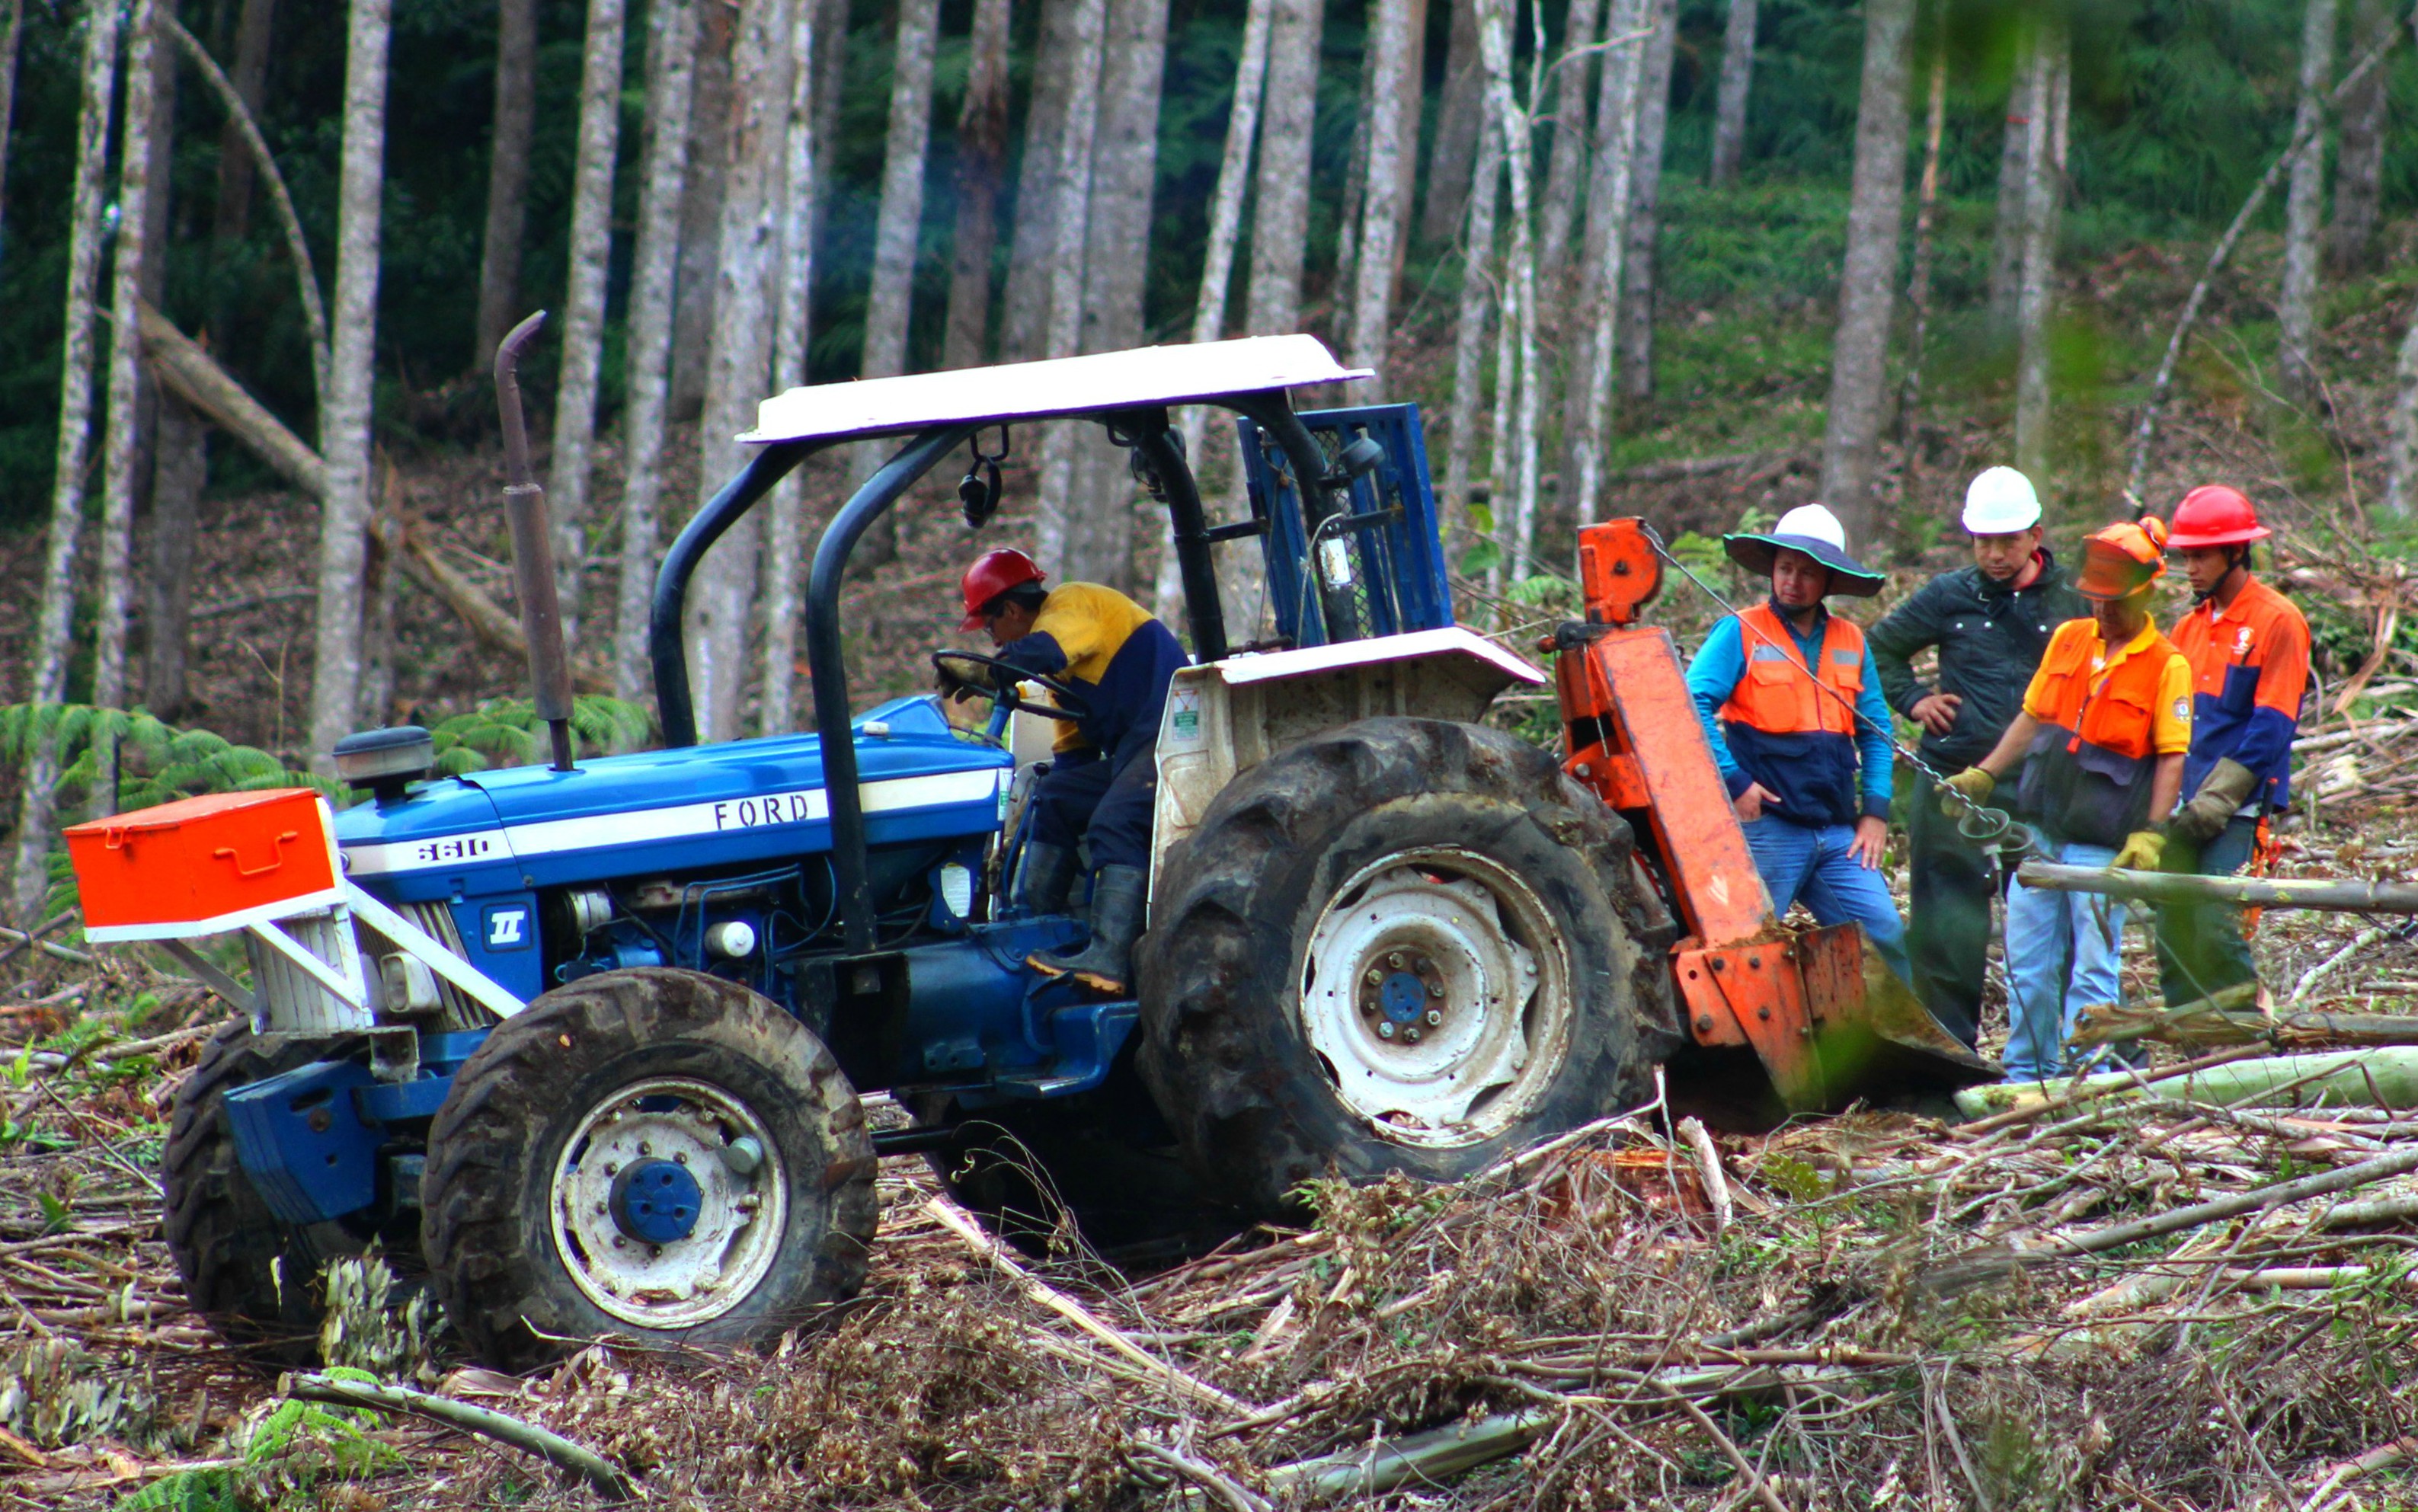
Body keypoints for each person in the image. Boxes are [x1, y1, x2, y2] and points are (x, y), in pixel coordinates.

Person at [1941, 519, 2190, 1082]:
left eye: (2114, 601)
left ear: (2146, 591)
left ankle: (2088, 1075)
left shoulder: (2167, 665)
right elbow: (2033, 716)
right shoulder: (2070, 639)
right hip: (2042, 832)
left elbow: (2173, 756)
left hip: (2102, 844)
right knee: (2028, 963)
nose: (2102, 611)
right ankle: (2027, 1073)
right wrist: (1984, 774)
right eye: (2095, 599)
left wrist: (2152, 831)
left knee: (2094, 971)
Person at [1869, 467, 2087, 1049]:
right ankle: (1949, 1050)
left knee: (2049, 916)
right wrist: (1915, 700)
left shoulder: (2075, 599)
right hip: (1952, 778)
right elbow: (1881, 647)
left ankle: (2055, 1051)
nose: (1993, 553)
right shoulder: (1950, 594)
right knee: (1946, 920)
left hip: (2042, 782)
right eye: (1983, 540)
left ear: (2035, 535)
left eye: (2007, 540)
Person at [1685, 503, 1912, 986]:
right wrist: (1735, 782)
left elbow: (1874, 729)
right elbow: (1691, 701)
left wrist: (1875, 810)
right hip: (1767, 826)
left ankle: (1904, 1053)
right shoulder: (1740, 630)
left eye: (1807, 573)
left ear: (1828, 580)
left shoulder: (1851, 640)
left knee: (1885, 933)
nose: (1792, 581)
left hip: (1835, 831)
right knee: (1744, 949)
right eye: (1785, 568)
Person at [945, 548, 1186, 993]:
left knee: (1115, 821)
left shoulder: (1072, 604)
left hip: (1175, 735)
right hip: (1136, 749)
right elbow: (1074, 752)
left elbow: (1044, 648)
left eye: (991, 627)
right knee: (1054, 798)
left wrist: (994, 670)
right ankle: (1030, 930)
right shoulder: (1064, 674)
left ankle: (1110, 958)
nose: (995, 640)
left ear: (1013, 609)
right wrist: (1053, 788)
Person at [2157, 484, 2310, 1009]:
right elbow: (2170, 725)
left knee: (2217, 930)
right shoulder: (2188, 627)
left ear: (2236, 552)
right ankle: (2185, 1058)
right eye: (2186, 555)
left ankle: (2247, 1046)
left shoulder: (2278, 619)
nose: (2191, 567)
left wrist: (2218, 799)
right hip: (2184, 803)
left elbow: (2272, 725)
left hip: (2239, 808)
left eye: (2201, 555)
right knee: (2172, 933)